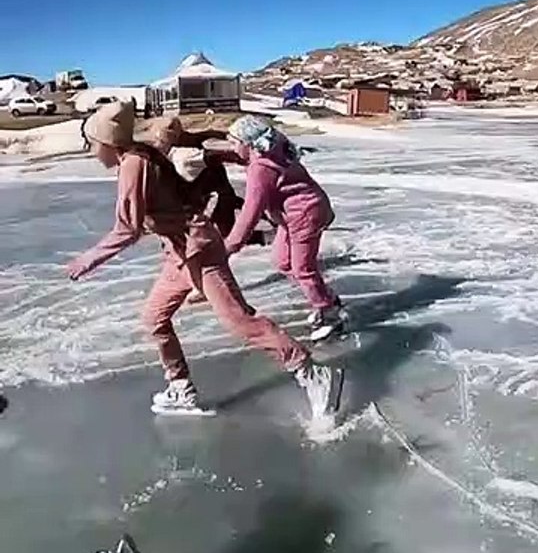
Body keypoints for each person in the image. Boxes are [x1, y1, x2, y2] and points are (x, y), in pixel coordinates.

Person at [64, 102, 342, 420]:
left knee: (240, 320)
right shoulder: (142, 154)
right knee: (154, 318)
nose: (92, 152)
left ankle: (313, 374)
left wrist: (88, 260)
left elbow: (128, 228)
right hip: (179, 253)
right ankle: (181, 388)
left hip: (198, 250)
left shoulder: (133, 164)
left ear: (108, 142)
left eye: (93, 144)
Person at [220, 115, 347, 342]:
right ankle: (327, 298)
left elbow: (250, 213)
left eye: (233, 142)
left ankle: (330, 314)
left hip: (305, 214)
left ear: (247, 143)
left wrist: (229, 246)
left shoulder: (261, 168)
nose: (231, 147)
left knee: (302, 269)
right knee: (282, 262)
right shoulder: (270, 150)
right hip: (294, 216)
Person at [144, 116, 270, 305]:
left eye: (160, 141)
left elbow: (214, 155)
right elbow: (209, 135)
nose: (157, 145)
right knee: (193, 246)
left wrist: (249, 159)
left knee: (223, 239)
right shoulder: (167, 154)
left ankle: (268, 236)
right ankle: (202, 286)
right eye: (155, 141)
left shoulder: (183, 155)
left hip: (217, 195)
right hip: (202, 198)